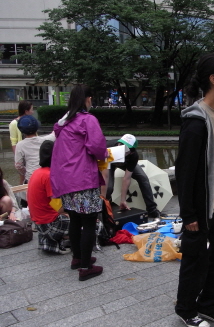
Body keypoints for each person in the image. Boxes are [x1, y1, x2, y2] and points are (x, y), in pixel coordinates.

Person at [174, 53, 214, 327]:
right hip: (199, 207)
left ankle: (209, 305)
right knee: (195, 260)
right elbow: (184, 173)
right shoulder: (196, 122)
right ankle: (186, 309)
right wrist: (188, 215)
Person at [50, 84, 108, 281]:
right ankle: (85, 267)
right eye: (91, 98)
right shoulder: (87, 120)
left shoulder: (63, 123)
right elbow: (98, 148)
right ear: (87, 99)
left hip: (65, 180)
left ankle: (77, 258)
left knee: (75, 219)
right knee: (89, 221)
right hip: (83, 178)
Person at [101, 134, 162, 218]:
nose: (121, 149)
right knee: (109, 188)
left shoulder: (133, 156)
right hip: (108, 163)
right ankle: (104, 209)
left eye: (125, 148)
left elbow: (126, 178)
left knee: (142, 177)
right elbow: (105, 177)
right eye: (120, 145)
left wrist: (123, 200)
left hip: (126, 163)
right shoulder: (108, 147)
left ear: (131, 151)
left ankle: (152, 209)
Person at [27, 140, 71, 255]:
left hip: (39, 224)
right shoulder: (50, 176)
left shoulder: (37, 172)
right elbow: (59, 208)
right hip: (49, 224)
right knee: (88, 221)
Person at [14, 115, 56, 183]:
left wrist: (25, 172)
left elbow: (18, 166)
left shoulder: (20, 145)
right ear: (37, 128)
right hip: (47, 178)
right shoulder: (46, 140)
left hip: (31, 179)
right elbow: (54, 133)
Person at [9, 100, 34, 184]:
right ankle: (22, 195)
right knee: (22, 177)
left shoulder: (32, 121)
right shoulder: (14, 123)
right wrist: (18, 159)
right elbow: (14, 141)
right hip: (22, 153)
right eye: (31, 109)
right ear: (26, 111)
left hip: (31, 152)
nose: (32, 112)